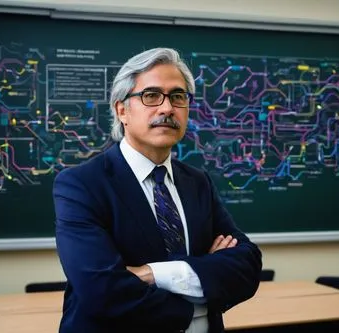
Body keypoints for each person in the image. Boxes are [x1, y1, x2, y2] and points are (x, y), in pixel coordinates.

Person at [53, 47, 262, 333]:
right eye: (151, 96)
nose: (167, 108)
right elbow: (102, 291)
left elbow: (247, 267)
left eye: (178, 97)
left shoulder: (198, 182)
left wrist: (153, 274)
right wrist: (203, 292)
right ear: (122, 110)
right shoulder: (81, 185)